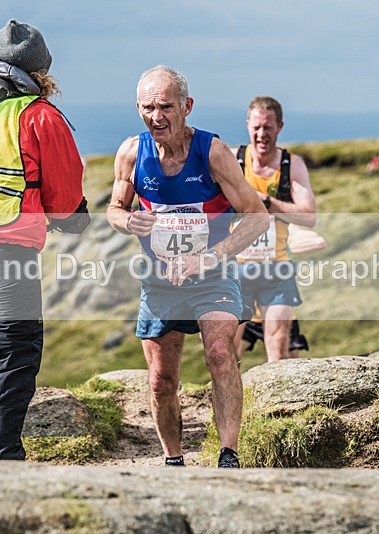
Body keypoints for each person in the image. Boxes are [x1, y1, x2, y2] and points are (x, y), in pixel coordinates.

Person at [0, 19, 89, 461]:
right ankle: (3, 457)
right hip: (5, 259)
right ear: (40, 72)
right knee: (16, 354)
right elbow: (65, 201)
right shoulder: (39, 116)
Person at [107, 66, 269, 468]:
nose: (156, 116)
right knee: (161, 379)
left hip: (212, 275)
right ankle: (173, 459)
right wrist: (128, 221)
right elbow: (114, 208)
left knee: (219, 352)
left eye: (165, 107)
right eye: (148, 107)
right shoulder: (132, 152)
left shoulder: (212, 153)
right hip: (160, 282)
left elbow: (257, 216)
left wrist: (211, 256)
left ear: (186, 107)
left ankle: (228, 454)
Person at [232, 97, 317, 362]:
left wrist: (267, 202)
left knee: (278, 344)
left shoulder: (291, 166)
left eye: (268, 127)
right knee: (225, 351)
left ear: (279, 127)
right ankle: (230, 402)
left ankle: (274, 403)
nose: (261, 134)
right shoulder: (233, 160)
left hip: (276, 267)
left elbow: (309, 216)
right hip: (235, 267)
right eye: (256, 127)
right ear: (247, 124)